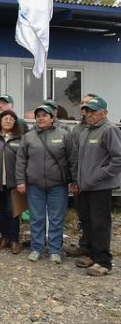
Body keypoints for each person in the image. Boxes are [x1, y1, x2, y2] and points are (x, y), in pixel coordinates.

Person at [16, 104, 77, 264]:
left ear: (52, 118)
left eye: (44, 115)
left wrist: (75, 180)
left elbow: (73, 159)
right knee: (36, 218)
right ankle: (36, 248)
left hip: (58, 185)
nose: (41, 118)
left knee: (56, 218)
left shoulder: (64, 135)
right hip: (34, 185)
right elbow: (21, 161)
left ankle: (55, 250)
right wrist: (20, 181)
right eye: (38, 116)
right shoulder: (28, 137)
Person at [74, 97, 121, 276]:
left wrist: (100, 175)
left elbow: (118, 159)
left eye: (94, 111)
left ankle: (104, 262)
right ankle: (92, 254)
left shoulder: (109, 130)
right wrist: (79, 180)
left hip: (100, 187)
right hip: (85, 186)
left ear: (104, 113)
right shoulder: (86, 131)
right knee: (87, 221)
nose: (89, 114)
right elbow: (82, 160)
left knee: (100, 223)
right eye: (88, 111)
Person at [0, 111, 23, 254]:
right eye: (5, 118)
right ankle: (4, 238)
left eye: (11, 119)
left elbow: (23, 161)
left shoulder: (21, 139)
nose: (8, 121)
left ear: (15, 123)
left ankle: (14, 240)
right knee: (0, 212)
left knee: (12, 212)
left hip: (13, 183)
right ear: (0, 121)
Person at [68, 93, 98, 258]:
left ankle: (98, 251)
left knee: (98, 219)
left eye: (87, 103)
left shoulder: (104, 128)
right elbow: (74, 156)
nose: (83, 106)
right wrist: (74, 180)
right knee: (84, 216)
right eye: (82, 103)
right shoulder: (77, 129)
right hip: (80, 181)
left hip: (97, 182)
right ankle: (85, 246)